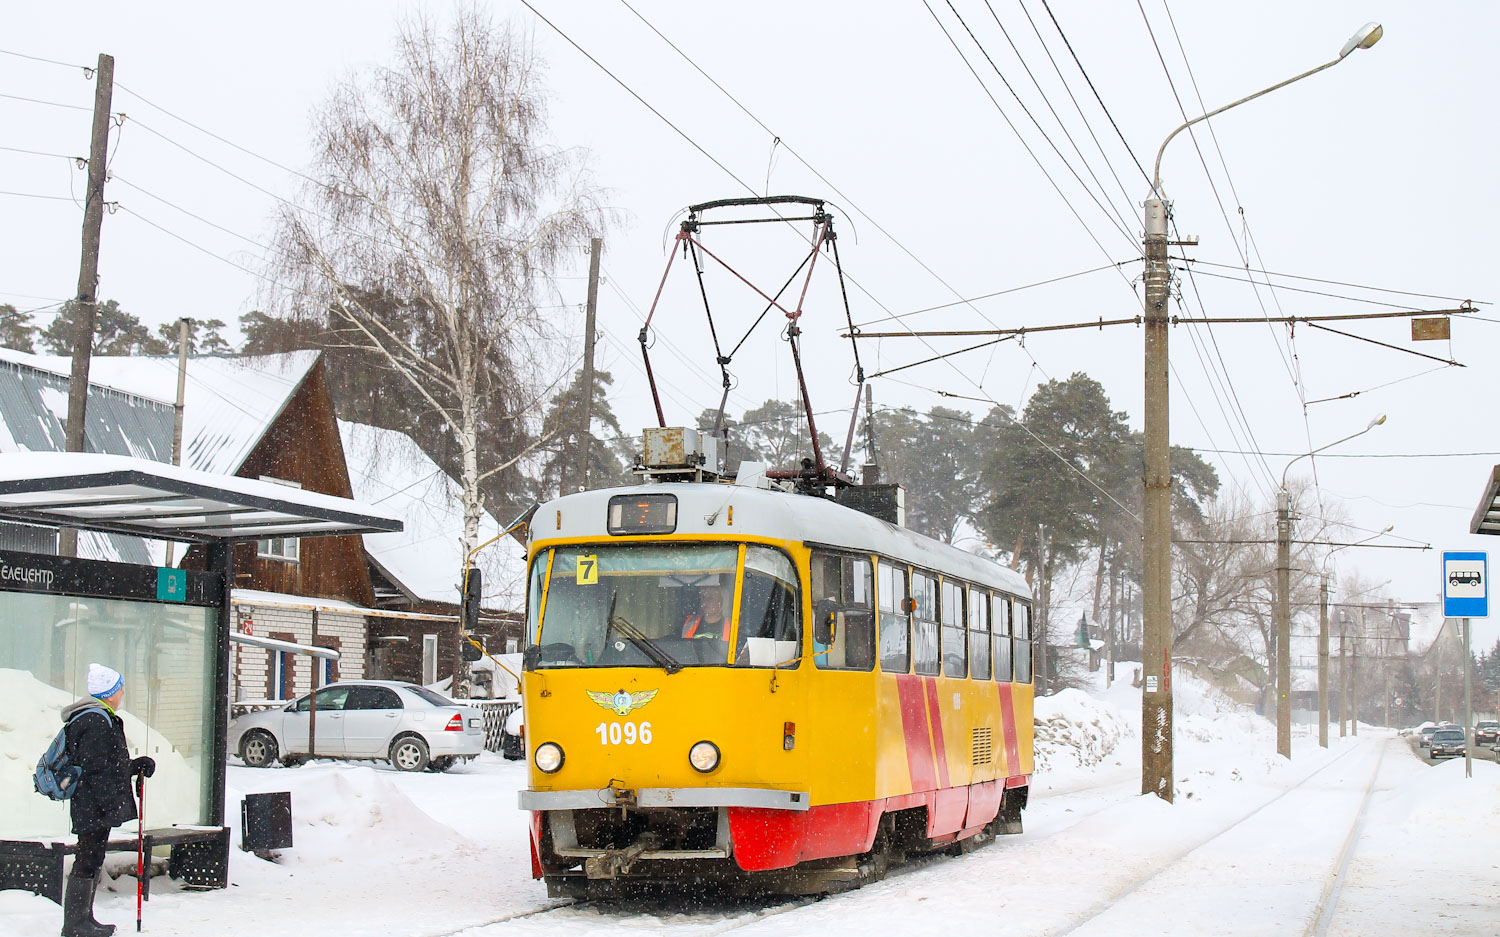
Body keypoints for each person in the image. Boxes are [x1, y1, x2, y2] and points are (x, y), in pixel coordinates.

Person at [59, 664, 155, 937]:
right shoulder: (95, 720)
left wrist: (135, 765)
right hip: (93, 804)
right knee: (87, 859)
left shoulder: (97, 718)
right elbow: (96, 767)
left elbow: (106, 764)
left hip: (92, 803)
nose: (122, 692)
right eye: (119, 687)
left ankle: (83, 920)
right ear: (109, 691)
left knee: (91, 858)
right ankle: (76, 924)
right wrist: (108, 804)